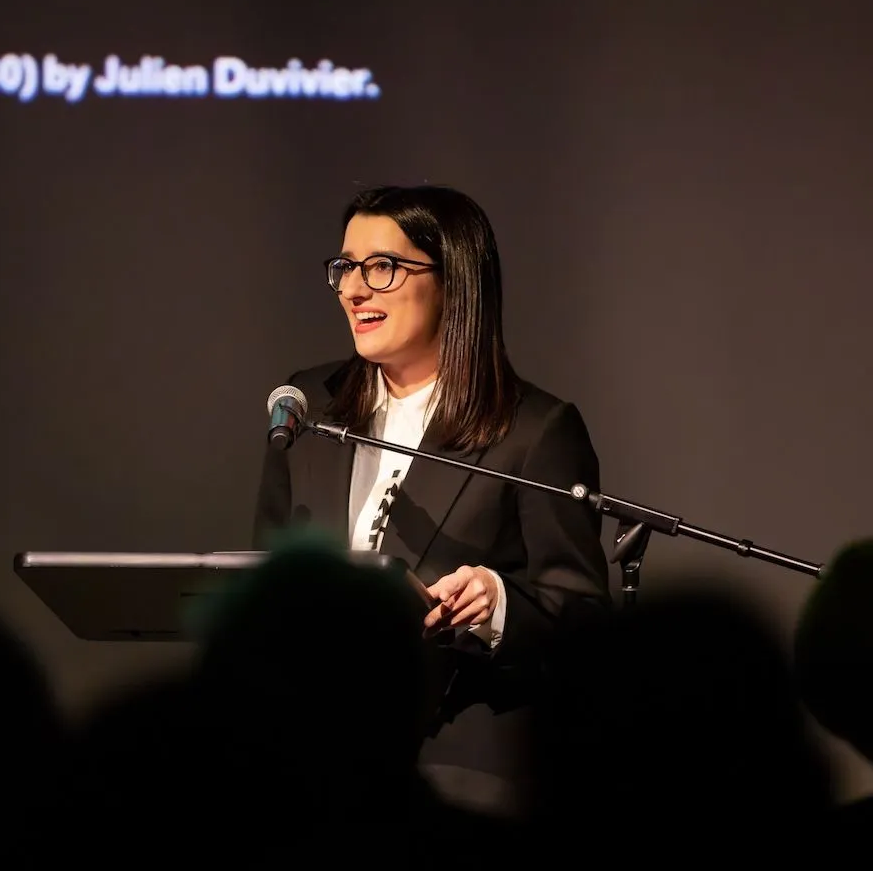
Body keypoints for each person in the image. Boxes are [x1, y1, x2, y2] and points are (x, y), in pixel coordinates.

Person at [253, 184, 611, 818]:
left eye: (382, 268)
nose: (353, 290)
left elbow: (582, 618)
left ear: (454, 282)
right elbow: (260, 580)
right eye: (345, 268)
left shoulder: (535, 429)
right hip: (307, 760)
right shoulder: (307, 406)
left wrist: (498, 605)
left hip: (454, 762)